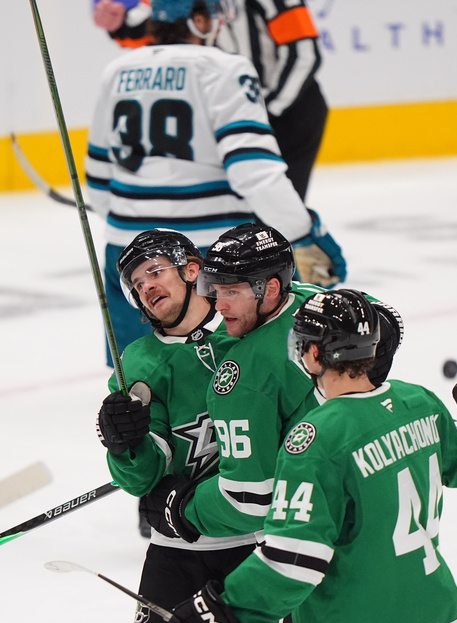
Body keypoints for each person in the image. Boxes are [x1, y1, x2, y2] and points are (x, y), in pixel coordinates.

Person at [161, 289, 457, 623]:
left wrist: (220, 609)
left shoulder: (315, 439)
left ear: (312, 355)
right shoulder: (421, 404)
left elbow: (295, 560)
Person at [136, 223, 400, 623]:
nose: (219, 306)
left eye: (232, 292)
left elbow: (250, 500)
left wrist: (184, 509)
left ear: (271, 287)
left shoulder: (239, 377)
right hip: (372, 516)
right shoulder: (317, 304)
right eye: (214, 291)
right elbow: (387, 320)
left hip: (306, 537)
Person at [86, 0, 344, 366]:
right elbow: (254, 172)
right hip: (204, 256)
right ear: (200, 19)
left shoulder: (117, 71)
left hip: (124, 253)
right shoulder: (225, 68)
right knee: (226, 383)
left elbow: (97, 184)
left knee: (138, 384)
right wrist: (304, 233)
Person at [96, 228, 277, 623]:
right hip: (179, 546)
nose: (147, 286)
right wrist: (125, 445)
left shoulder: (245, 328)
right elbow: (140, 478)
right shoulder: (139, 363)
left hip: (256, 539)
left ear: (192, 270)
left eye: (155, 271)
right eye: (138, 284)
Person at [92, 0, 328, 201]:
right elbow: (149, 28)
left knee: (275, 206)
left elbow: (304, 55)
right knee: (232, 210)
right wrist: (118, 23)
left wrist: (261, 115)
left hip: (289, 114)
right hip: (227, 116)